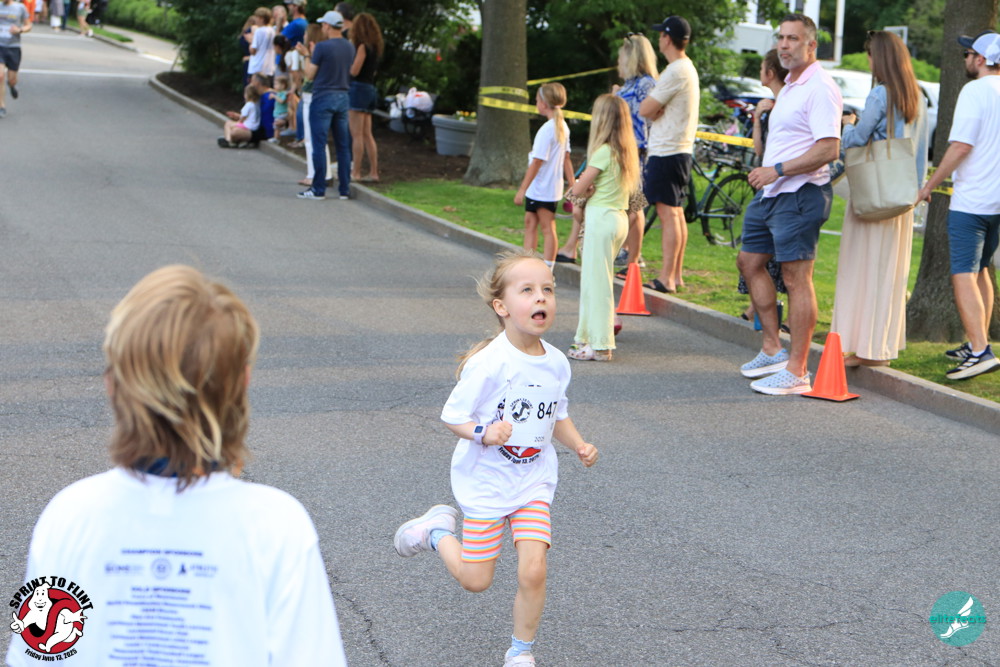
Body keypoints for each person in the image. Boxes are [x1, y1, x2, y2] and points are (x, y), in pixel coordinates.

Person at [4, 265, 347, 666]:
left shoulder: (69, 515)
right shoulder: (277, 525)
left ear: (113, 384)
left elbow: (36, 656)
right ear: (242, 381)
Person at [393, 249, 599, 667]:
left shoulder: (557, 363)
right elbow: (453, 416)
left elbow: (556, 414)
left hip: (532, 481)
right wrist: (484, 433)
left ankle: (520, 651)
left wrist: (578, 444)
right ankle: (436, 531)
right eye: (528, 290)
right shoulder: (489, 363)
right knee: (476, 580)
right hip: (487, 483)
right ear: (501, 307)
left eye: (547, 290)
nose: (541, 298)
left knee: (534, 569)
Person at [738, 13, 842, 395]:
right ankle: (772, 348)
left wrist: (777, 170)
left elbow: (829, 149)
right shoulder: (792, 86)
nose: (784, 45)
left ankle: (797, 371)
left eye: (793, 39)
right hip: (771, 193)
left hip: (800, 193)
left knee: (797, 279)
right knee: (749, 262)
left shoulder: (820, 87)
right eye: (781, 38)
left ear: (811, 45)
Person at [832, 31, 927, 368]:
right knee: (888, 274)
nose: (869, 61)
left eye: (870, 55)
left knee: (861, 268)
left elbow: (856, 140)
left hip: (873, 193)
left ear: (880, 58)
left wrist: (847, 125)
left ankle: (861, 345)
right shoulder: (917, 96)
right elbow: (919, 152)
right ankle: (880, 347)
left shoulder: (879, 94)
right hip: (901, 194)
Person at [917, 30, 1000, 380]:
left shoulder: (975, 91)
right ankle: (976, 341)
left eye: (967, 54)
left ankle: (980, 351)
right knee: (981, 270)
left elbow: (961, 146)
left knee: (963, 273)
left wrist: (929, 185)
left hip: (973, 200)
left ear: (980, 60)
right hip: (997, 202)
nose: (965, 59)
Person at [555, 34, 657, 269]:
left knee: (635, 204)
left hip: (633, 152)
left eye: (621, 57)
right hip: (614, 149)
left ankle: (633, 259)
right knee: (596, 195)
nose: (618, 62)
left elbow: (649, 122)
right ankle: (573, 245)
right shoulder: (628, 85)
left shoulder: (646, 84)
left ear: (632, 57)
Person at [565, 94, 640, 362]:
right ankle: (586, 337)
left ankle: (600, 344)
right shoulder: (628, 154)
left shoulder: (603, 152)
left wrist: (580, 190)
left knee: (596, 285)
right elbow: (635, 202)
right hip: (618, 219)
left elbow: (576, 191)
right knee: (596, 281)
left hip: (600, 218)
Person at [639, 15, 699, 294]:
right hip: (679, 149)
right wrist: (655, 108)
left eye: (660, 35)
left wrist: (654, 108)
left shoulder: (675, 71)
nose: (658, 40)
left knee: (667, 213)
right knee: (675, 212)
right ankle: (676, 274)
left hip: (667, 150)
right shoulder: (687, 68)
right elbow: (653, 108)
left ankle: (666, 278)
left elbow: (645, 109)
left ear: (666, 38)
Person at [739, 49, 788, 327]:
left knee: (771, 255)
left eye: (761, 68)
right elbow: (759, 150)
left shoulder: (783, 105)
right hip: (768, 182)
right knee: (758, 254)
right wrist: (758, 118)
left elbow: (762, 151)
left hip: (778, 184)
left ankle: (767, 313)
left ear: (769, 72)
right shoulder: (771, 107)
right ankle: (757, 308)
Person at [296, 10, 354, 201]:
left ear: (328, 26)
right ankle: (344, 189)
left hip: (323, 96)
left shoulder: (322, 47)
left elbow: (309, 74)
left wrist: (306, 55)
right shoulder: (349, 47)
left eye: (323, 25)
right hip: (343, 95)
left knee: (319, 144)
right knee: (343, 145)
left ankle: (318, 188)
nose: (322, 28)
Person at [514, 82, 574, 267]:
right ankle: (529, 264)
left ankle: (547, 268)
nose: (536, 103)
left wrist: (522, 189)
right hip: (547, 187)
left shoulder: (547, 130)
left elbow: (537, 162)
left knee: (546, 227)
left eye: (537, 100)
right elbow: (566, 158)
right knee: (531, 223)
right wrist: (572, 184)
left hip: (541, 187)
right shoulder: (562, 126)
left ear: (544, 103)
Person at [348, 12, 383, 182]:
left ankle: (356, 172)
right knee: (367, 134)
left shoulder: (362, 47)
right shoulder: (375, 48)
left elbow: (355, 71)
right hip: (370, 88)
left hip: (358, 89)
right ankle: (374, 172)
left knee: (357, 134)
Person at [295, 22, 332, 187]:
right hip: (316, 95)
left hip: (312, 96)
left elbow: (309, 75)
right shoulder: (322, 50)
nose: (303, 36)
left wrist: (305, 55)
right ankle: (325, 173)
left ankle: (314, 174)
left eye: (305, 33)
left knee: (311, 138)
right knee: (317, 138)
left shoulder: (315, 52)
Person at [0, 0, 31, 118]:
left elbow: (29, 25)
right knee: (0, 76)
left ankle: (12, 85)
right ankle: (1, 106)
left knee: (12, 79)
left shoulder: (20, 7)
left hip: (13, 47)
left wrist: (19, 30)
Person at [218, 83, 260, 148]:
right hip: (253, 126)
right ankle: (238, 141)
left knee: (228, 124)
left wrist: (239, 121)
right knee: (232, 126)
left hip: (247, 126)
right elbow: (249, 117)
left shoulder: (248, 105)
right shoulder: (255, 105)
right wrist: (236, 115)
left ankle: (228, 140)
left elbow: (243, 117)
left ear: (247, 95)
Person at [247, 6, 275, 81]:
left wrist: (250, 42)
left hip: (257, 66)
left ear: (262, 19)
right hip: (269, 67)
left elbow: (253, 51)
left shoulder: (258, 31)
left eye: (257, 17)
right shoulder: (272, 30)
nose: (255, 19)